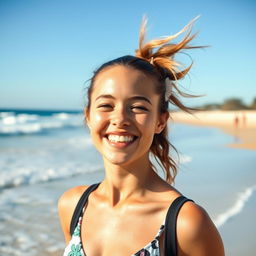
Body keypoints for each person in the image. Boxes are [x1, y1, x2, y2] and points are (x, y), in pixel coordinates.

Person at [58, 16, 225, 256]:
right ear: (88, 116)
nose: (120, 119)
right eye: (106, 105)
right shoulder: (72, 205)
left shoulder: (185, 224)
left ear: (160, 121)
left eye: (138, 107)